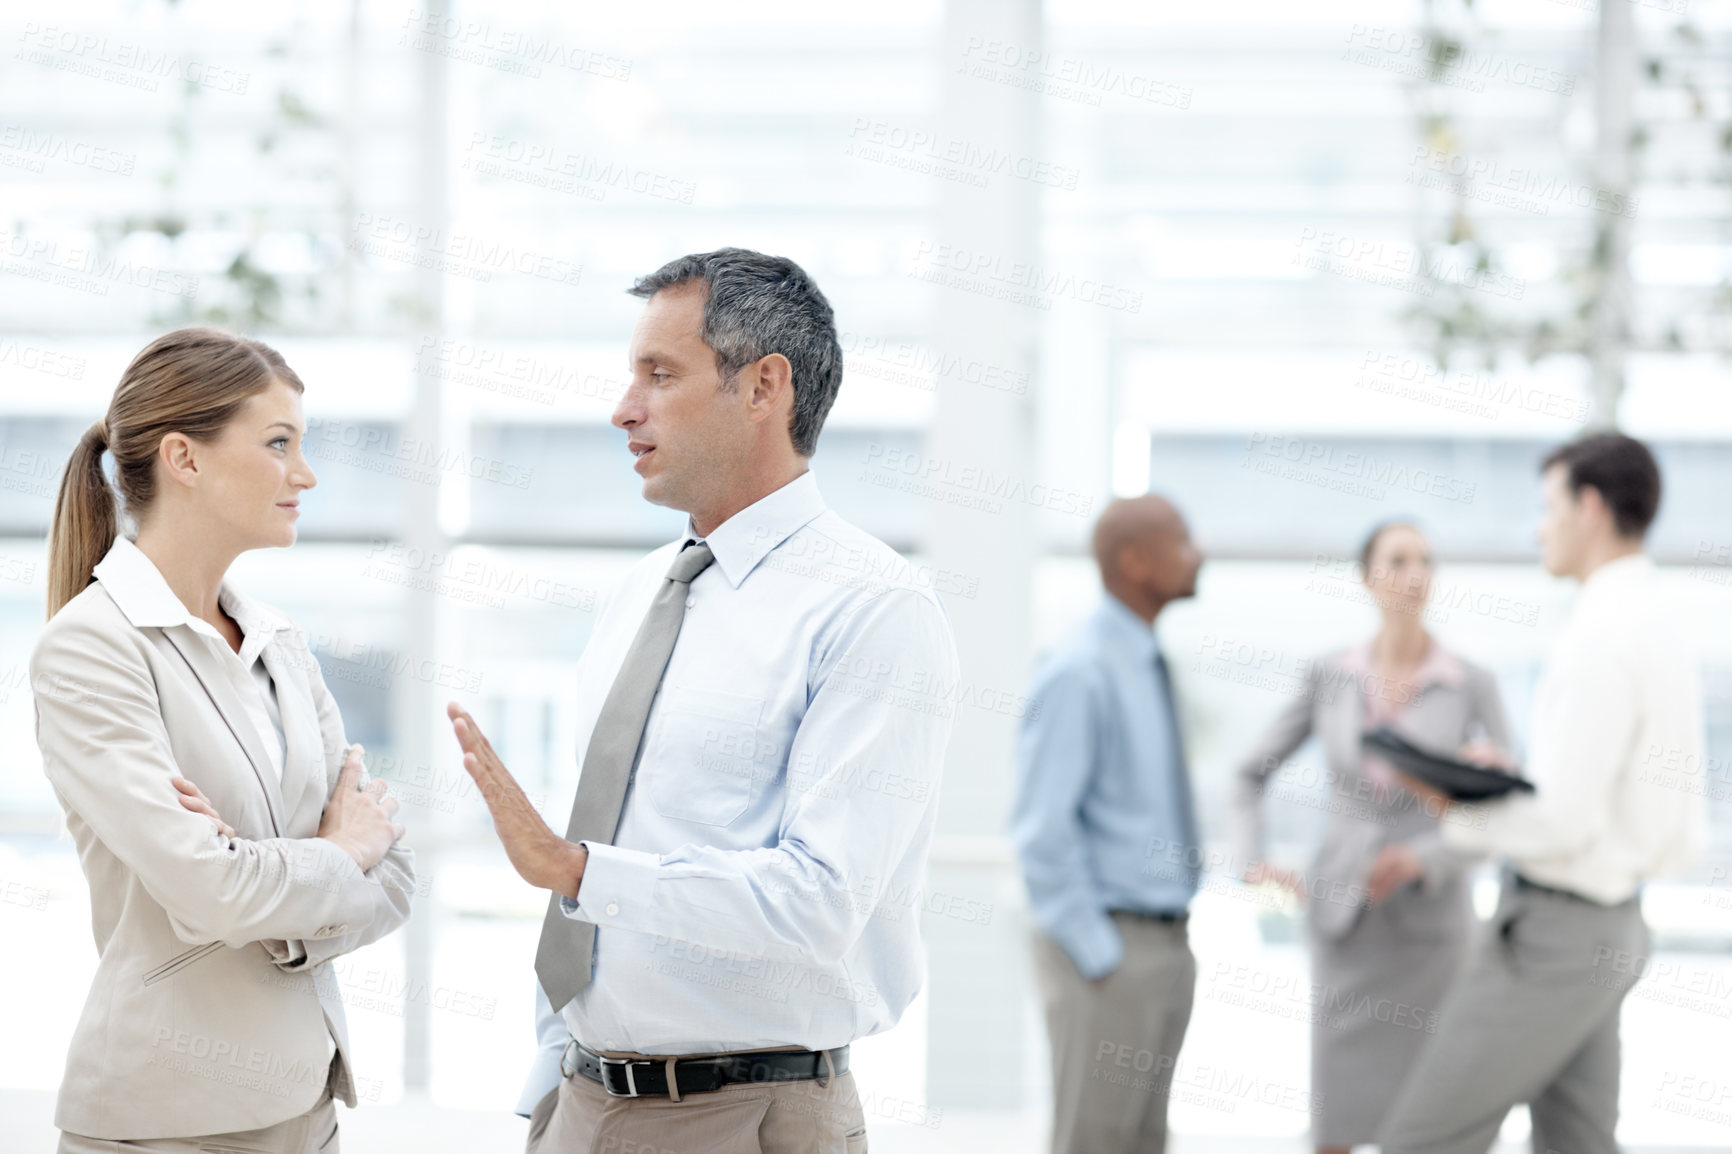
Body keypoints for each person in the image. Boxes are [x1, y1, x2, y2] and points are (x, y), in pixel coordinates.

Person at [446, 248, 958, 1154]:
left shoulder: (874, 609)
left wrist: (576, 871)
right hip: (581, 1099)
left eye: (660, 374)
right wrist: (555, 1080)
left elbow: (821, 900)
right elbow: (624, 836)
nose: (623, 408)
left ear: (764, 387)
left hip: (748, 1113)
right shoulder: (644, 590)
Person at [30, 327, 415, 1153]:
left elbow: (398, 877)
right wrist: (335, 856)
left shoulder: (280, 643)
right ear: (186, 458)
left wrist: (266, 881)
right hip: (169, 1123)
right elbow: (212, 887)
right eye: (279, 444)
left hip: (306, 1108)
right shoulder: (93, 646)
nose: (304, 474)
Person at [1380, 433, 1707, 1154]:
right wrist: (1516, 781)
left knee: (1419, 1140)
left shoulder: (1599, 634)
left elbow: (1564, 819)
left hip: (1556, 938)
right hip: (1612, 924)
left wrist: (1459, 811)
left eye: (1547, 506)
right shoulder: (1656, 623)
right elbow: (1602, 794)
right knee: (1578, 1142)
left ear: (1589, 508)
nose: (1539, 528)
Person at [1229, 519, 1513, 1154]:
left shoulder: (1471, 683)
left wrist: (1423, 858)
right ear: (1368, 578)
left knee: (1433, 1120)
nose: (1416, 574)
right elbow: (1249, 774)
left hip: (1433, 931)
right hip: (1343, 922)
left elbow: (1503, 811)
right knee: (1337, 1120)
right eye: (1399, 560)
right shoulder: (1330, 674)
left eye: (1426, 561)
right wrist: (1254, 862)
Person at [1012, 494, 1205, 1154]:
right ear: (1135, 561)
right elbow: (1041, 830)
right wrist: (1098, 953)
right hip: (1109, 951)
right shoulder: (1081, 669)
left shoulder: (1143, 662)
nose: (1197, 553)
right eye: (1182, 540)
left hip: (1164, 947)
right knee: (1094, 1142)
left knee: (1142, 1143)